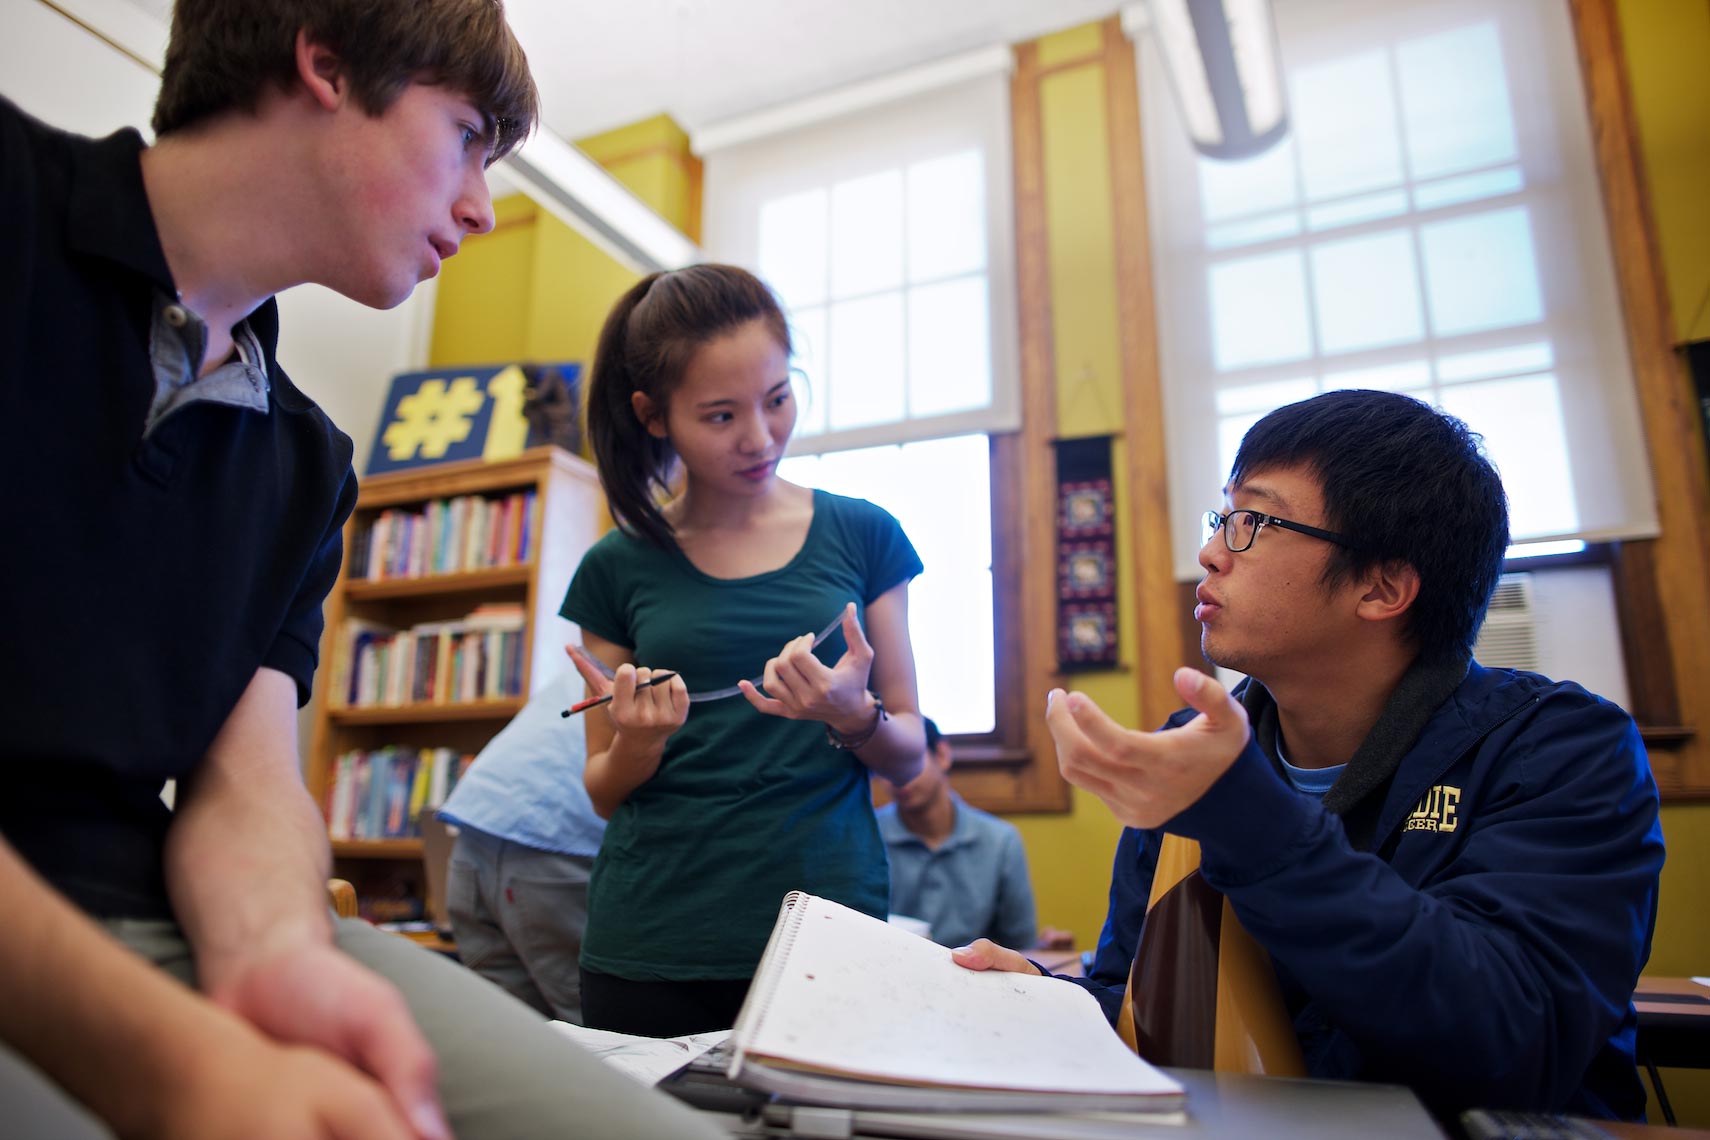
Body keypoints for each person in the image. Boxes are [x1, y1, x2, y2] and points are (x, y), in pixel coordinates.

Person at [0, 3, 723, 1138]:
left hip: (154, 922)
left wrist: (275, 955)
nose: (484, 207)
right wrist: (176, 1066)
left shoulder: (306, 462)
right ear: (326, 64)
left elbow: (246, 785)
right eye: (469, 136)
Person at [952, 390, 1665, 1121]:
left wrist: (1247, 818)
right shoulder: (1192, 750)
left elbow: (1512, 1046)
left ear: (1382, 587)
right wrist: (1049, 1003)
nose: (1209, 552)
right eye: (1222, 518)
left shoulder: (1561, 749)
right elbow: (1143, 998)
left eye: (1252, 522)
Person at [562, 263, 928, 1038]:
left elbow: (910, 759)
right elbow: (603, 789)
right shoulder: (616, 566)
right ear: (653, 416)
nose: (760, 438)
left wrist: (851, 715)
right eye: (721, 416)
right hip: (653, 943)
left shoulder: (864, 534)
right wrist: (639, 739)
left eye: (778, 399)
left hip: (828, 936)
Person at [438, 668, 606, 1024]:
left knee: (510, 1035)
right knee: (593, 1039)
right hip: (550, 845)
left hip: (473, 838)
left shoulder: (600, 656)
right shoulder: (670, 667)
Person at [877, 717, 1039, 951]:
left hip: (972, 975)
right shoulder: (868, 837)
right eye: (883, 767)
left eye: (909, 759)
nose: (897, 776)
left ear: (941, 755)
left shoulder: (1000, 842)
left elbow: (1022, 946)